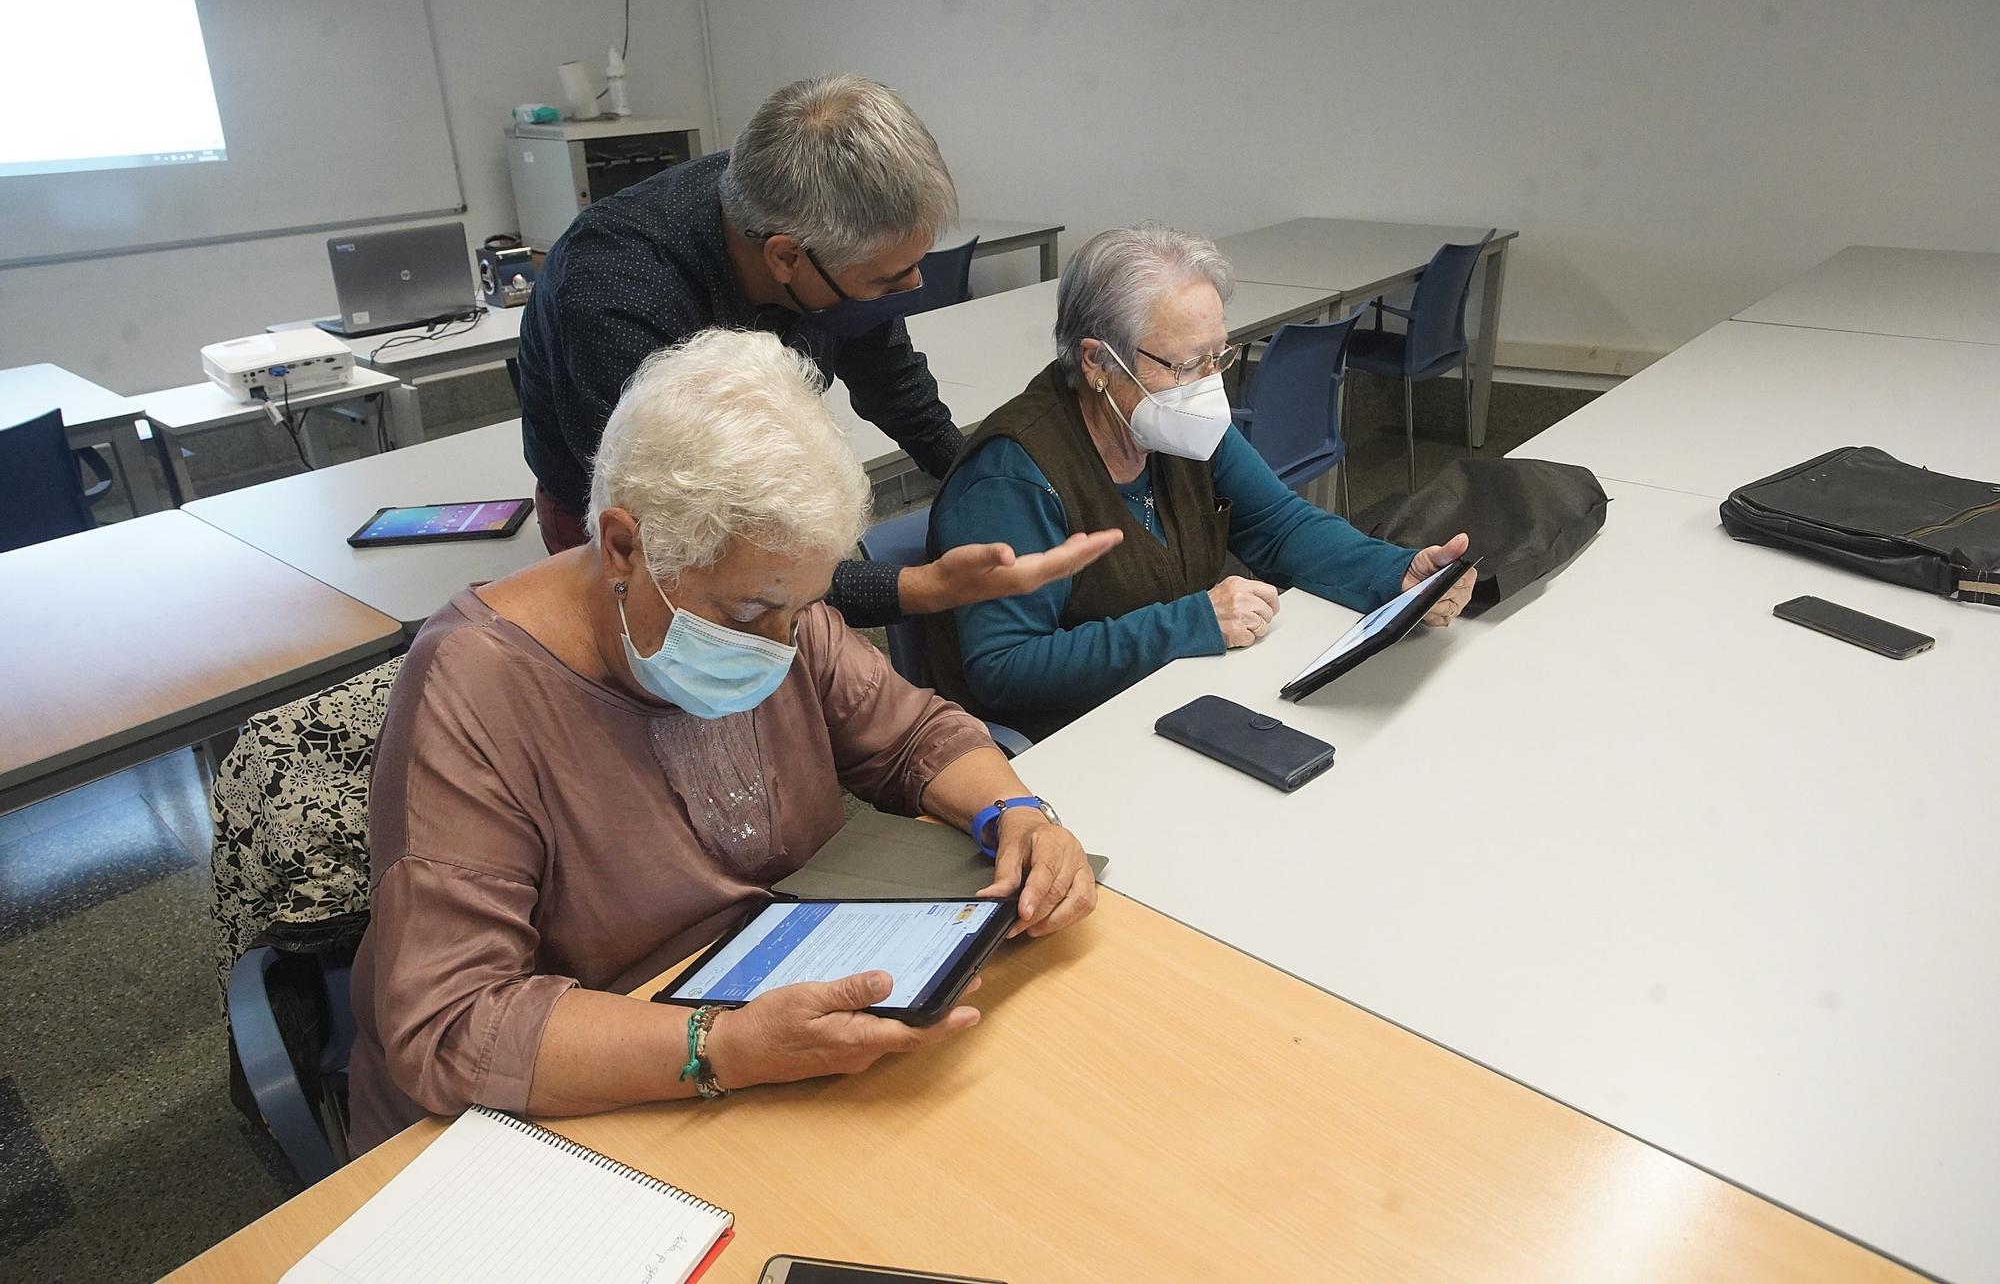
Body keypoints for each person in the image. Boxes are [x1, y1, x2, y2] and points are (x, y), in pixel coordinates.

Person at [348, 328, 1097, 1153]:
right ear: (625, 546)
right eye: (746, 614)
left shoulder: (774, 604)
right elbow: (455, 1024)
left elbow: (913, 734)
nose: (782, 644)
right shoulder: (477, 686)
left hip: (770, 1009)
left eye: (799, 609)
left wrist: (1015, 813)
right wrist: (724, 1049)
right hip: (599, 1083)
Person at [516, 73, 1117, 626]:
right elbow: (694, 548)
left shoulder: (814, 219)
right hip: (636, 526)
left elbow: (893, 382)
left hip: (729, 502)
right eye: (886, 279)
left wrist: (984, 484)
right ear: (784, 257)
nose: (913, 289)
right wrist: (922, 588)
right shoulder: (616, 294)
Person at [923, 225, 1477, 741]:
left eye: (1219, 357)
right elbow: (1004, 669)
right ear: (1097, 361)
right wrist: (1192, 622)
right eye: (1187, 365)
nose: (1210, 385)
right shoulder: (1013, 476)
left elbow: (1280, 527)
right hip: (1069, 739)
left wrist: (1394, 573)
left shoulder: (1175, 427)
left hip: (1172, 699)